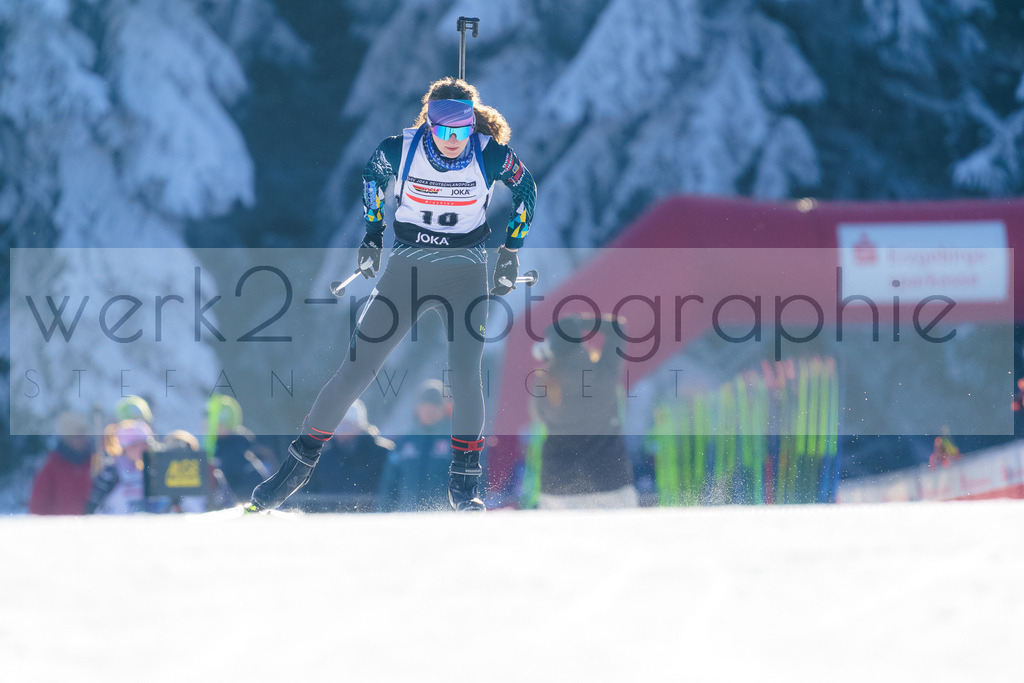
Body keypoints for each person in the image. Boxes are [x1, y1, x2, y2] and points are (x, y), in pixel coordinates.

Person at [249, 77, 536, 512]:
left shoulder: (490, 153)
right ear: (428, 125)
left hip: (465, 272)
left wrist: (511, 250)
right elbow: (371, 179)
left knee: (464, 373)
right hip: (408, 270)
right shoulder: (398, 149)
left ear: (472, 126)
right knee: (356, 369)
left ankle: (464, 483)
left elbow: (526, 191)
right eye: (444, 132)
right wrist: (371, 234)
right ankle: (296, 470)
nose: (454, 141)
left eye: (462, 132)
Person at [529, 315, 639, 509]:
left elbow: (538, 417)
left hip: (558, 486)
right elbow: (618, 328)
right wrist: (580, 322)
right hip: (611, 480)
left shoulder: (545, 383)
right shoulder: (605, 371)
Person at [378, 379, 455, 511]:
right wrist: (383, 511)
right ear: (417, 408)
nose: (429, 411)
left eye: (434, 406)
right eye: (425, 405)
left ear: (444, 409)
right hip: (407, 517)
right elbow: (390, 483)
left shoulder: (454, 441)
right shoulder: (404, 442)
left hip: (444, 517)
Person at [304, 400, 394, 511]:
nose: (342, 430)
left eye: (348, 424)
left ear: (360, 426)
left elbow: (393, 488)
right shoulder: (321, 458)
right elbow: (308, 494)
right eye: (338, 425)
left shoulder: (382, 454)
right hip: (330, 521)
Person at [28, 412, 96, 515]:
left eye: (84, 435)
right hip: (60, 527)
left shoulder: (95, 461)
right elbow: (37, 506)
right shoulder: (52, 465)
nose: (83, 439)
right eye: (78, 436)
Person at [84, 419, 153, 514]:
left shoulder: (145, 470)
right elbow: (93, 501)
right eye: (137, 446)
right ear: (126, 447)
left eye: (145, 445)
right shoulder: (111, 470)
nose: (144, 449)